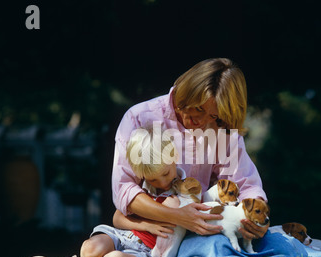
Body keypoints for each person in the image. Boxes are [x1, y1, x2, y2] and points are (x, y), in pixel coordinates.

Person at [112, 58, 268, 241]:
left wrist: (256, 219)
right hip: (150, 231)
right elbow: (123, 189)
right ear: (188, 92)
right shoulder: (139, 118)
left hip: (201, 229)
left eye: (213, 115)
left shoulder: (221, 129)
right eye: (199, 109)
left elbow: (245, 184)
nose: (202, 121)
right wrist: (177, 216)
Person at [25, 129, 190, 257]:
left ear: (174, 156)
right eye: (153, 179)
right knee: (90, 250)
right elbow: (117, 218)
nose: (161, 183)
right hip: (126, 235)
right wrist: (147, 225)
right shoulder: (142, 188)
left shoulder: (187, 189)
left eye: (166, 174)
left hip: (148, 251)